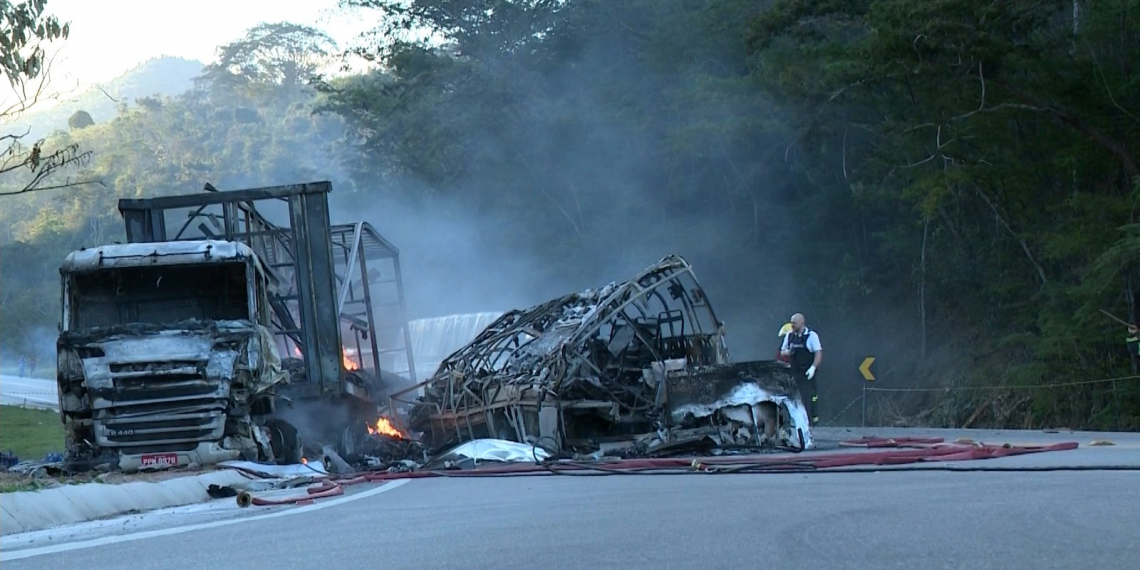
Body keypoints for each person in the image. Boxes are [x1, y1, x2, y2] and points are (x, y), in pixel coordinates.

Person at [780, 313, 822, 425]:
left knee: (806, 398)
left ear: (802, 323)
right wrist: (787, 353)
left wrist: (813, 367)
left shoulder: (811, 336)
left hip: (806, 373)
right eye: (791, 322)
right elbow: (782, 351)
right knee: (790, 397)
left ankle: (808, 423)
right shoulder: (789, 336)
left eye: (795, 323)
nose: (792, 325)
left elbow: (818, 353)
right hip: (793, 372)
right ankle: (791, 423)